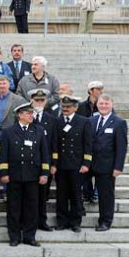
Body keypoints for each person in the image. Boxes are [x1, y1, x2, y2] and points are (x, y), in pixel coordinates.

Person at [0, 102, 50, 247]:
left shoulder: (38, 130)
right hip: (14, 176)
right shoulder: (9, 131)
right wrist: (4, 172)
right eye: (28, 113)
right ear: (20, 115)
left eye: (31, 113)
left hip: (33, 176)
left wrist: (44, 173)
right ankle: (14, 236)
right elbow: (4, 154)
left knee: (31, 208)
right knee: (14, 207)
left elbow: (44, 153)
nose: (31, 115)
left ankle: (29, 236)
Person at [51, 95, 93, 233]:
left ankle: (76, 222)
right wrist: (54, 164)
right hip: (61, 165)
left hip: (77, 165)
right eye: (63, 107)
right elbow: (55, 144)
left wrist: (86, 163)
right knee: (61, 195)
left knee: (76, 194)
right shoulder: (57, 121)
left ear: (75, 108)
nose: (65, 109)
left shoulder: (84, 121)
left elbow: (88, 144)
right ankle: (62, 221)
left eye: (68, 107)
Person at [90, 94, 128, 231]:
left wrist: (118, 167)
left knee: (106, 195)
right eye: (101, 103)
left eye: (106, 103)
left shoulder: (119, 122)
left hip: (107, 165)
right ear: (97, 104)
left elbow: (122, 147)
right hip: (89, 164)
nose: (103, 106)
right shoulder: (91, 120)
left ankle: (106, 221)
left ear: (111, 104)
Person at [30, 89, 56, 232]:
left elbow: (54, 143)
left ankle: (42, 221)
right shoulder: (25, 116)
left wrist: (54, 163)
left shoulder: (51, 119)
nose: (39, 103)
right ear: (32, 101)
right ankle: (30, 221)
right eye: (36, 100)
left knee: (43, 195)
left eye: (42, 100)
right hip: (29, 163)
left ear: (45, 102)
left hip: (45, 163)